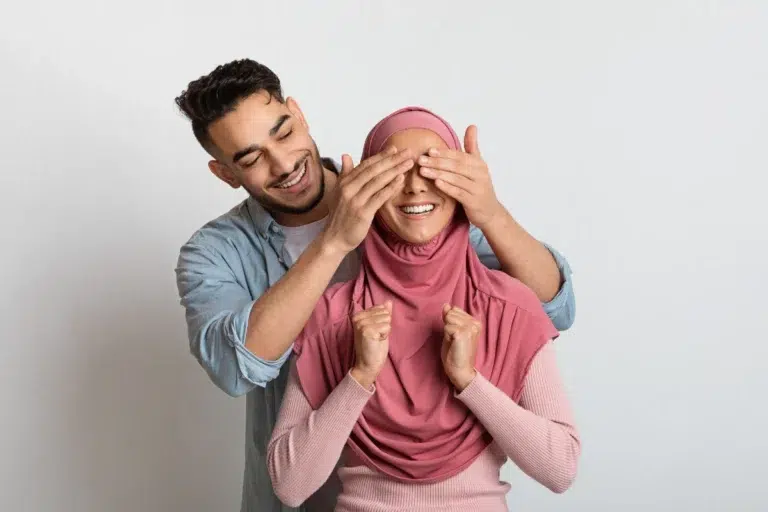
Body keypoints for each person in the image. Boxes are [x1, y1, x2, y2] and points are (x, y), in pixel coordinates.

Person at [173, 59, 576, 512]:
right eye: (250, 158)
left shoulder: (401, 197)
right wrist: (334, 242)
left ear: (299, 114)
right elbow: (233, 367)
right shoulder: (213, 252)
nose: (283, 163)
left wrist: (490, 212)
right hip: (299, 496)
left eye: (284, 133)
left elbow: (550, 309)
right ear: (225, 174)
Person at [266, 107, 580, 511]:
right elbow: (289, 485)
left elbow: (561, 469)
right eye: (395, 171)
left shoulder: (510, 306)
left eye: (433, 168)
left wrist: (470, 382)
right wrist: (358, 378)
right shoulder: (332, 315)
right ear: (368, 187)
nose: (415, 188)